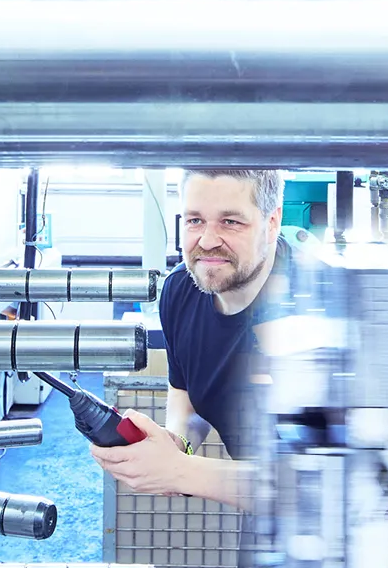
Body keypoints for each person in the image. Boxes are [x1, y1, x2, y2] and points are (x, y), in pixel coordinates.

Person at [89, 168, 288, 508]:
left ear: (272, 223)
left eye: (231, 222)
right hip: (264, 519)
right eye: (194, 220)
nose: (207, 240)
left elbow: (314, 488)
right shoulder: (182, 290)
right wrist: (174, 443)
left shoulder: (307, 303)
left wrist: (179, 471)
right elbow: (186, 397)